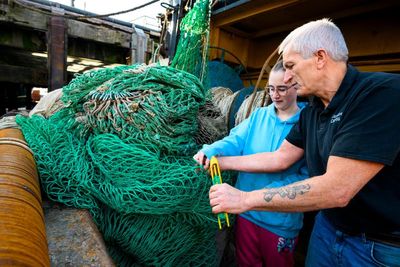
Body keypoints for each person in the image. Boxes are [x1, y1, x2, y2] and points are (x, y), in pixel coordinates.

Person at [203, 18, 400, 267]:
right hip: (327, 228)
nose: (286, 77)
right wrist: (220, 161)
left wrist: (244, 199)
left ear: (320, 57)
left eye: (291, 65)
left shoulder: (380, 95)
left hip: (375, 246)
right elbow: (280, 158)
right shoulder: (312, 112)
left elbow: (337, 190)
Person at [193, 60, 309, 266]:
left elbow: (307, 176)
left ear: (297, 86)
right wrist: (212, 149)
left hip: (280, 223)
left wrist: (268, 194)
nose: (275, 95)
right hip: (246, 214)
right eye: (271, 89)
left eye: (282, 89)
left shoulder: (308, 122)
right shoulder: (259, 116)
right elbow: (235, 140)